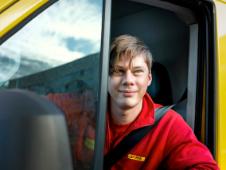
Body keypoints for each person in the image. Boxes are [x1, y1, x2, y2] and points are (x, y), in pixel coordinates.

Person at [104, 34, 219, 169]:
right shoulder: (87, 113)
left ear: (149, 79)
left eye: (137, 72)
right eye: (119, 71)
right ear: (106, 78)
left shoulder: (169, 123)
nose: (128, 80)